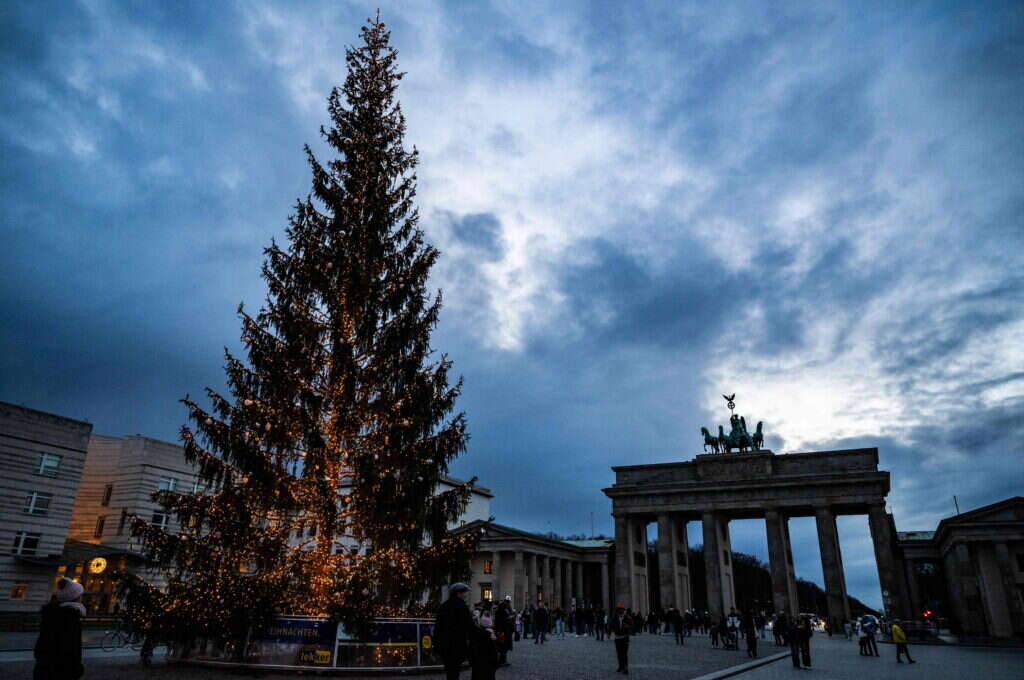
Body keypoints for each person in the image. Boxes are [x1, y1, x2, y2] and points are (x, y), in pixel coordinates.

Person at [34, 577, 85, 680]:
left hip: (43, 670)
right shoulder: (70, 617)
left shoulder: (52, 613)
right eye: (80, 595)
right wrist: (77, 671)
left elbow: (40, 648)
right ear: (75, 597)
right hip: (61, 673)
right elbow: (71, 651)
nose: (81, 597)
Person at [434, 583, 475, 680]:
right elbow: (469, 626)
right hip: (457, 644)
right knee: (455, 671)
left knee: (449, 671)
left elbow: (438, 626)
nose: (465, 595)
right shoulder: (462, 606)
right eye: (464, 593)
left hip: (444, 644)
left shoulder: (444, 606)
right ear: (458, 593)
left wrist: (437, 643)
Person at [469, 605, 499, 680]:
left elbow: (471, 651)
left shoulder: (476, 636)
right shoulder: (490, 637)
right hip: (488, 669)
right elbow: (494, 655)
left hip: (477, 668)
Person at [610, 605, 633, 674]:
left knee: (624, 653)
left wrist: (628, 627)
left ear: (623, 610)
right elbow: (611, 625)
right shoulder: (614, 618)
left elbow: (632, 627)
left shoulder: (627, 618)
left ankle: (625, 667)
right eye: (619, 610)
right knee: (619, 653)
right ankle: (620, 666)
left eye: (621, 609)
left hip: (625, 637)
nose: (620, 611)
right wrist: (610, 631)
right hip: (617, 638)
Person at [495, 597, 514, 667]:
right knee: (503, 646)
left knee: (503, 646)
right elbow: (503, 621)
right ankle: (502, 661)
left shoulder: (502, 610)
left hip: (503, 630)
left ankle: (502, 660)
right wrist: (509, 618)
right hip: (503, 631)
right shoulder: (503, 610)